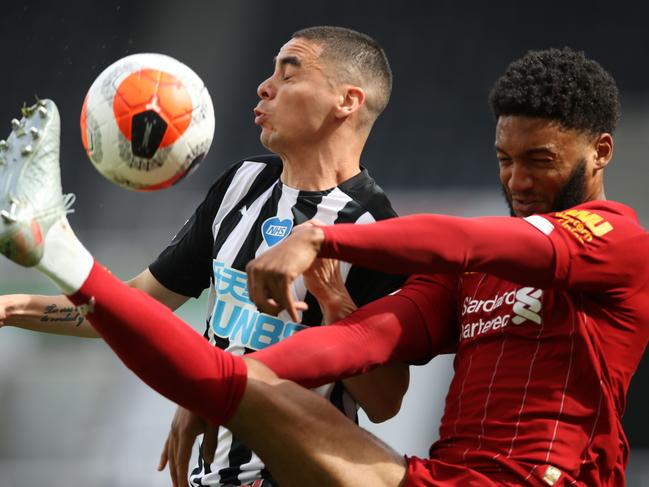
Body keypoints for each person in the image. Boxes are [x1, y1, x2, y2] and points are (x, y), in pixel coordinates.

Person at [2, 47, 645, 486]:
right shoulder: (239, 191)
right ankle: (53, 250)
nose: (517, 179)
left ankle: (59, 248)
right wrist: (227, 385)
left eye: (539, 160)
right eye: (505, 159)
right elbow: (362, 339)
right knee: (236, 379)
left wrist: (322, 239)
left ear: (601, 152)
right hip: (434, 478)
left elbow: (471, 248)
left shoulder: (614, 242)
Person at [0, 27, 408, 487]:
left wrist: (336, 304)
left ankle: (53, 243)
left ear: (347, 101)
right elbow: (133, 308)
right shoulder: (242, 184)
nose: (264, 87)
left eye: (288, 75)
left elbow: (385, 401)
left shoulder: (375, 229)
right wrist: (10, 307)